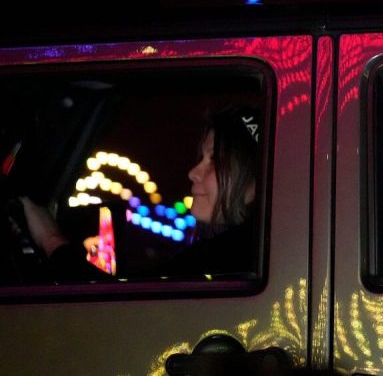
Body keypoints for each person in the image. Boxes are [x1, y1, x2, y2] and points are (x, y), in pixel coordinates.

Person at [18, 104, 261, 280]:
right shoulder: (240, 258)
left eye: (214, 161)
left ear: (255, 184)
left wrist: (51, 240)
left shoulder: (227, 258)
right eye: (202, 158)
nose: (194, 173)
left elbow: (118, 313)